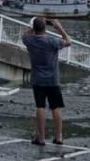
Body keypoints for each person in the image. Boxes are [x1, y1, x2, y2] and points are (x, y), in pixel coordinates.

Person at [21, 16, 71, 146]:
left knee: (40, 106)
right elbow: (69, 41)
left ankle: (41, 137)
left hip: (38, 79)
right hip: (53, 79)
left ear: (34, 28)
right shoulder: (52, 41)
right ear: (45, 28)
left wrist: (32, 27)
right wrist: (60, 28)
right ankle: (59, 136)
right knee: (56, 107)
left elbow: (24, 34)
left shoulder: (29, 40)